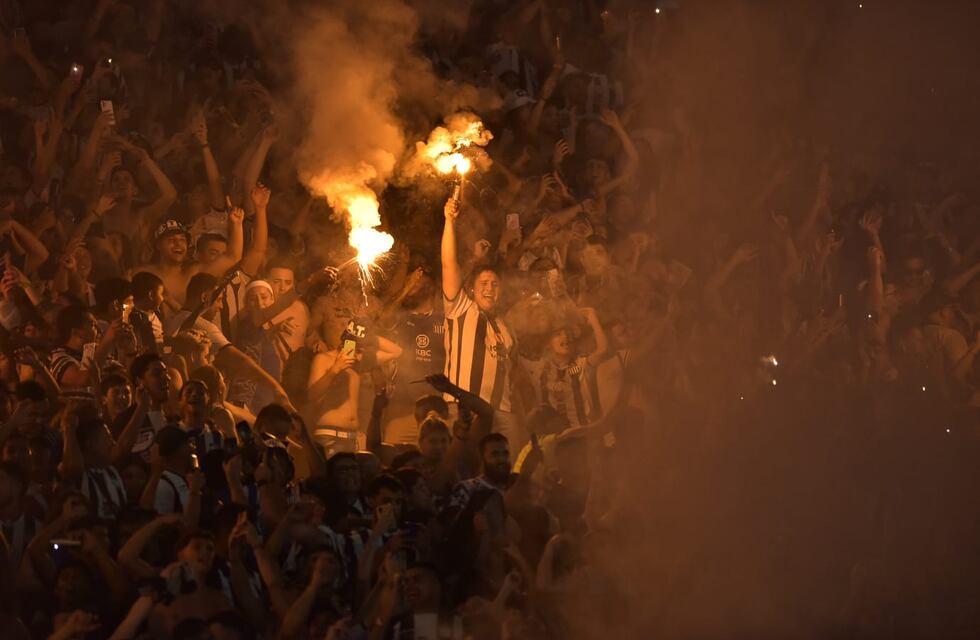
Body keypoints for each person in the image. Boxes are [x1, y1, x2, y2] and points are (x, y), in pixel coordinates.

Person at [440, 195, 520, 448]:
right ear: (472, 290)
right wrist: (449, 222)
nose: (489, 288)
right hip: (464, 409)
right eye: (483, 284)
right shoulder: (462, 308)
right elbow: (448, 264)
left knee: (504, 470)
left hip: (501, 412)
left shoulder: (506, 327)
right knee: (464, 466)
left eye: (495, 285)